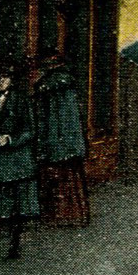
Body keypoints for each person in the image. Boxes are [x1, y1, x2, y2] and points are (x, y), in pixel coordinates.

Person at [0, 60, 40, 259]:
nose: (1, 81)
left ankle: (14, 247)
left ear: (12, 80)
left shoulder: (22, 101)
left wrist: (10, 139)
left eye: (5, 78)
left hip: (16, 160)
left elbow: (30, 131)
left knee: (17, 208)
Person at [34, 54, 91, 227]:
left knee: (56, 179)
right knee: (70, 181)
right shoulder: (66, 86)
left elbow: (49, 119)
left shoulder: (50, 87)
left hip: (56, 142)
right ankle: (74, 215)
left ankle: (58, 216)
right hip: (69, 143)